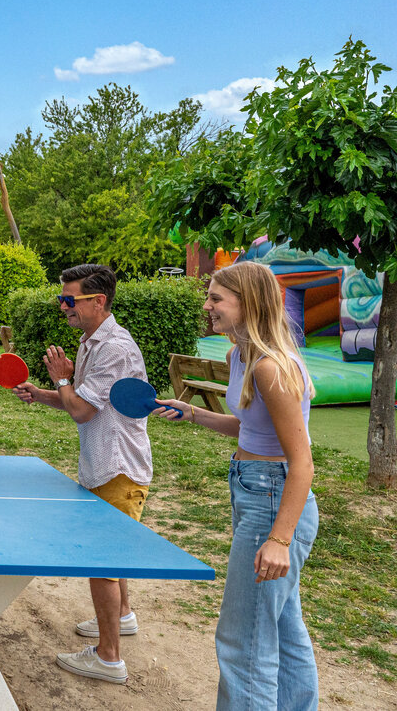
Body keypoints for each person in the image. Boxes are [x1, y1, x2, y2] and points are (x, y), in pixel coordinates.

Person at [153, 262, 318, 709]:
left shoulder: (270, 367)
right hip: (252, 489)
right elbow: (249, 428)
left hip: (274, 498)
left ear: (250, 304)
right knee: (282, 628)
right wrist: (191, 413)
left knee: (242, 640)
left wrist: (279, 539)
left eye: (216, 299)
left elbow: (302, 463)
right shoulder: (238, 355)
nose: (207, 307)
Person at [10, 263, 153, 685]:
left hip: (118, 468)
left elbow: (82, 409)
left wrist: (64, 378)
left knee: (102, 561)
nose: (63, 306)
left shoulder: (114, 349)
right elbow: (81, 401)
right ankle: (122, 617)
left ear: (99, 301)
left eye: (70, 299)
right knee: (113, 553)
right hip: (101, 463)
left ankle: (109, 658)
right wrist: (43, 393)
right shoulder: (91, 340)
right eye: (62, 298)